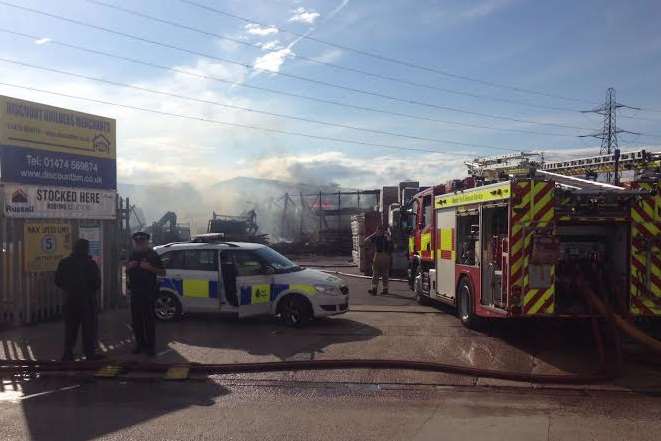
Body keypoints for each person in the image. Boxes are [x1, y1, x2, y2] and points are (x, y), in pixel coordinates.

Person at [55, 239, 103, 361]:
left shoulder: (64, 262)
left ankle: (68, 353)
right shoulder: (90, 263)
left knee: (70, 328)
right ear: (86, 249)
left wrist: (68, 288)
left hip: (70, 300)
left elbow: (58, 281)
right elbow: (97, 283)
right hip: (87, 301)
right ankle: (89, 354)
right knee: (89, 328)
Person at [126, 232, 165, 356]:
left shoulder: (152, 255)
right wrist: (128, 267)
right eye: (137, 242)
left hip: (148, 293)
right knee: (136, 321)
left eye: (141, 242)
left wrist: (150, 268)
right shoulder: (133, 254)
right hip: (135, 293)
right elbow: (126, 270)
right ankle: (139, 344)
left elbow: (163, 272)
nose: (139, 244)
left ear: (146, 242)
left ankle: (150, 347)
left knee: (148, 321)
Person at [365, 225, 393, 296]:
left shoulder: (376, 237)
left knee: (376, 273)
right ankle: (385, 289)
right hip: (386, 256)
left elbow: (366, 240)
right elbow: (391, 244)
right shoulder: (387, 237)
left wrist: (374, 234)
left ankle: (374, 289)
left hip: (378, 255)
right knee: (385, 274)